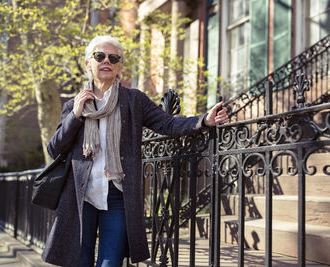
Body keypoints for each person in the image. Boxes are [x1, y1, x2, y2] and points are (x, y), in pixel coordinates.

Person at [41, 35, 229, 267]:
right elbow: (55, 148)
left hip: (118, 194)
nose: (106, 61)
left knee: (111, 262)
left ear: (119, 66)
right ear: (89, 63)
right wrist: (76, 116)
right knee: (80, 260)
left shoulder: (133, 100)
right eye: (99, 56)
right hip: (81, 196)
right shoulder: (74, 104)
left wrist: (204, 120)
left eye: (113, 57)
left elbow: (167, 124)